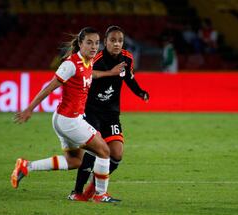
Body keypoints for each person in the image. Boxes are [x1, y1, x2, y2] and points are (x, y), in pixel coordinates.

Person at [11, 27, 121, 203]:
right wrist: (30, 108)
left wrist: (110, 73)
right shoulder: (70, 64)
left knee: (75, 161)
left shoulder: (88, 61)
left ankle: (26, 166)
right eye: (89, 43)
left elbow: (89, 74)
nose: (94, 47)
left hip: (65, 119)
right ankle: (101, 195)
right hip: (69, 120)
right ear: (80, 43)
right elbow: (49, 87)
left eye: (96, 43)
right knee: (104, 151)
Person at [67, 25, 149, 201]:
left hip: (111, 113)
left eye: (120, 40)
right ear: (105, 42)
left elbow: (129, 78)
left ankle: (95, 186)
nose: (117, 44)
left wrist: (140, 92)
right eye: (113, 40)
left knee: (117, 153)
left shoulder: (127, 58)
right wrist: (109, 73)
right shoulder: (96, 58)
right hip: (91, 111)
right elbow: (87, 75)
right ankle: (76, 192)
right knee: (93, 151)